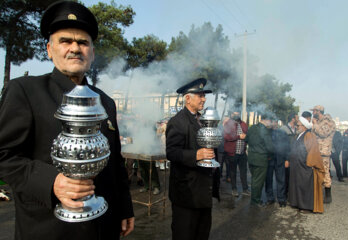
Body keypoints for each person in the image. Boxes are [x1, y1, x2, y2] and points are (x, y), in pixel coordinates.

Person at [0, 2, 134, 239]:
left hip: (104, 226)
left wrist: (125, 208)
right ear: (49, 49)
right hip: (48, 228)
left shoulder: (105, 102)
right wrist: (51, 181)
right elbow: (4, 155)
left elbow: (115, 163)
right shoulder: (25, 91)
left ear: (92, 52)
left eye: (83, 43)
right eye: (66, 41)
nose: (75, 48)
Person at [166, 78, 220, 240]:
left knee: (202, 234)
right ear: (188, 98)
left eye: (204, 96)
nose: (203, 99)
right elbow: (172, 152)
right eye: (200, 95)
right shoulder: (177, 122)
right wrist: (196, 155)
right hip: (187, 194)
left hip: (204, 191)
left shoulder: (204, 121)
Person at [288, 117, 325, 213]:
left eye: (298, 125)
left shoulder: (309, 135)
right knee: (298, 185)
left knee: (305, 186)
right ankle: (297, 203)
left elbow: (313, 151)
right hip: (297, 165)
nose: (297, 127)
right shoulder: (299, 135)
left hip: (305, 166)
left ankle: (306, 206)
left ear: (304, 126)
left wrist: (309, 164)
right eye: (296, 125)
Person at [245, 114, 274, 206]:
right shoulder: (265, 131)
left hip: (251, 158)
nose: (271, 123)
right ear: (267, 120)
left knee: (254, 180)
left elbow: (246, 139)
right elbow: (270, 147)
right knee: (258, 182)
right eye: (270, 121)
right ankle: (255, 201)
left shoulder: (252, 127)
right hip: (261, 160)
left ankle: (254, 199)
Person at [311, 105, 336, 203]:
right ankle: (318, 194)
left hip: (323, 152)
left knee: (325, 173)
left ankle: (328, 196)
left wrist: (315, 124)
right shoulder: (319, 122)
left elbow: (323, 133)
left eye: (314, 111)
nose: (313, 113)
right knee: (317, 173)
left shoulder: (328, 121)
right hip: (316, 151)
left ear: (318, 111)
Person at [223, 111, 250, 197]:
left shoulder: (244, 124)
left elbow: (247, 135)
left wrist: (246, 137)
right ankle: (234, 189)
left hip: (242, 153)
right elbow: (226, 136)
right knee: (233, 172)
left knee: (243, 171)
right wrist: (238, 136)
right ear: (231, 114)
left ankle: (245, 189)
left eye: (238, 113)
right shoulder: (228, 123)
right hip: (232, 153)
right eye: (235, 113)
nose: (237, 115)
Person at [265, 118, 289, 207]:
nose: (273, 123)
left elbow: (287, 146)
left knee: (281, 180)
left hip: (280, 159)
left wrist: (287, 159)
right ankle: (270, 198)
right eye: (272, 122)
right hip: (269, 159)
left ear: (277, 123)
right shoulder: (267, 133)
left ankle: (281, 199)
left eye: (275, 122)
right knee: (268, 180)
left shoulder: (282, 133)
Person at [278, 113, 298, 199]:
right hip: (286, 157)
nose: (298, 120)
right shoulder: (283, 129)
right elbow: (282, 145)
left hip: (294, 156)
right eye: (297, 118)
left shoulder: (297, 129)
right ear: (293, 119)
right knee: (284, 177)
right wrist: (286, 159)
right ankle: (283, 195)